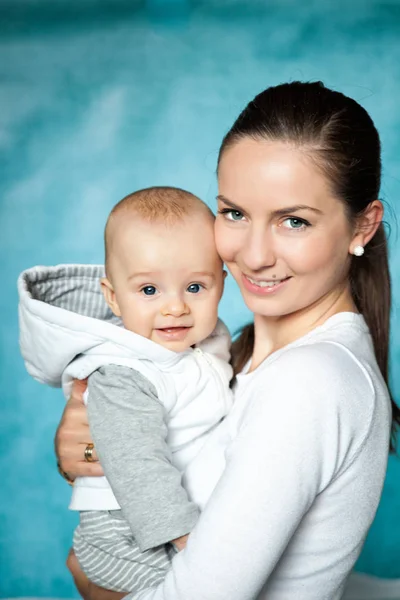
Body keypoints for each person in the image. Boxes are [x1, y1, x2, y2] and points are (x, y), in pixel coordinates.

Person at [56, 81, 400, 600]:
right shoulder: (225, 359)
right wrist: (91, 448)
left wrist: (95, 585)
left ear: (363, 226)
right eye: (235, 213)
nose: (254, 254)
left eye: (294, 221)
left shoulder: (310, 379)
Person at [18, 187, 233, 594]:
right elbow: (138, 465)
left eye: (194, 287)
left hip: (169, 513)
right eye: (149, 290)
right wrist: (190, 539)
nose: (175, 307)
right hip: (125, 530)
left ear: (221, 284)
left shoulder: (208, 344)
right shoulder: (123, 374)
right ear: (113, 298)